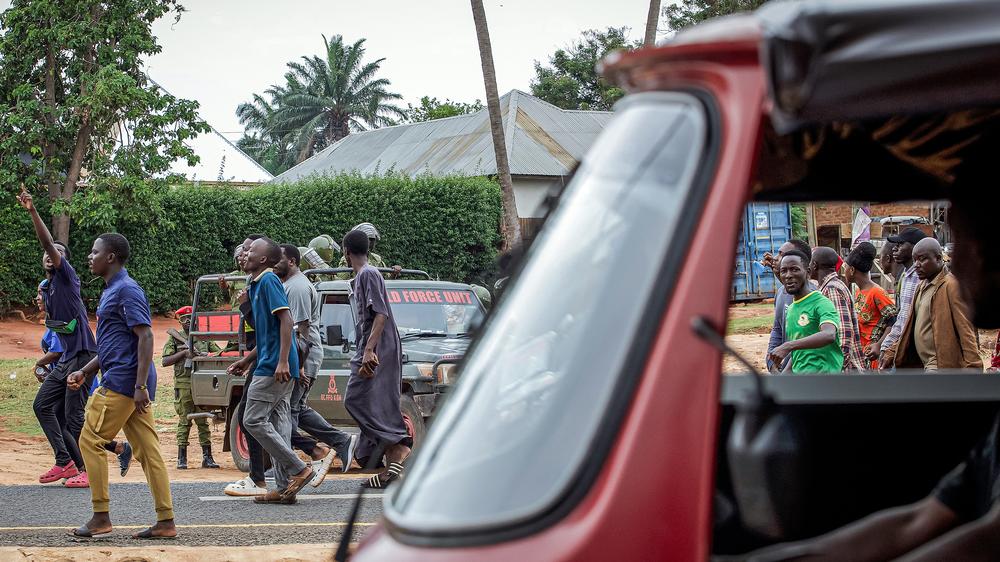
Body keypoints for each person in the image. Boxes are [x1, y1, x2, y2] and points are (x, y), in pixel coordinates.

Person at [67, 233, 175, 539]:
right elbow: (114, 345)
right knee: (149, 452)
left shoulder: (126, 290)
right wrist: (85, 371)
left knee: (89, 440)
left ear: (111, 256)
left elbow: (146, 336)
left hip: (126, 382)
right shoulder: (112, 289)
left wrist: (139, 385)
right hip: (129, 379)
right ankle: (166, 521)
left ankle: (101, 516)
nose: (90, 256)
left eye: (94, 252)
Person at [17, 187, 98, 489]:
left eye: (58, 254)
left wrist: (33, 211)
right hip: (67, 359)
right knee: (43, 407)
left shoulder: (67, 278)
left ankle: (87, 469)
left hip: (84, 358)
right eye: (49, 255)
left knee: (73, 418)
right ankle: (64, 461)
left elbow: (49, 244)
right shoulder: (48, 290)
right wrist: (44, 362)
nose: (52, 256)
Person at [226, 237, 314, 504]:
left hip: (275, 368)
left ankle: (298, 468)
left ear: (263, 259)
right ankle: (285, 488)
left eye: (251, 250)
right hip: (269, 361)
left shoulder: (268, 281)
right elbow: (268, 334)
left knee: (251, 420)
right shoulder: (255, 284)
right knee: (277, 423)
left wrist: (283, 361)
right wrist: (247, 359)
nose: (245, 252)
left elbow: (287, 321)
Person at [274, 244, 358, 483]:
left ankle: (302, 459)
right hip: (302, 355)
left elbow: (301, 329)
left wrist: (298, 366)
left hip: (302, 356)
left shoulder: (298, 287)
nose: (273, 263)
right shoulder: (291, 284)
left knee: (286, 412)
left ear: (291, 261)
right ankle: (340, 442)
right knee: (296, 410)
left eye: (278, 259)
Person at [342, 230, 412, 488]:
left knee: (354, 398)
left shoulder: (369, 274)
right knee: (375, 399)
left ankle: (398, 444)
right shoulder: (362, 277)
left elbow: (380, 314)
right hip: (373, 344)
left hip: (379, 345)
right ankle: (390, 461)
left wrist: (369, 351)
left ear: (345, 251)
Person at [887, 238, 982, 371]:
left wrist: (974, 366)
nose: (916, 265)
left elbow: (965, 329)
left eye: (922, 259)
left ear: (938, 259)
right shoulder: (921, 286)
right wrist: (892, 350)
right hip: (920, 364)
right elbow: (910, 327)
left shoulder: (951, 286)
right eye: (915, 260)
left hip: (939, 364)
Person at [162, 305, 221, 469]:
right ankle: (182, 458)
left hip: (202, 384)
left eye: (190, 318)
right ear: (179, 321)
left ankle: (207, 457)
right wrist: (183, 353)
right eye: (183, 319)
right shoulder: (175, 338)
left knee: (203, 420)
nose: (187, 321)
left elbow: (219, 354)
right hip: (184, 384)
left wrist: (204, 355)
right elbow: (165, 361)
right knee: (184, 421)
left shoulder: (203, 338)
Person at [768, 251, 843, 374]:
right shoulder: (791, 309)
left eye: (794, 269)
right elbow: (798, 353)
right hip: (802, 382)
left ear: (808, 272)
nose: (788, 275)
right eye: (784, 271)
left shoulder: (822, 303)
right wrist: (784, 375)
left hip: (826, 381)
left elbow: (829, 334)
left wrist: (787, 346)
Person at [876, 227, 928, 368]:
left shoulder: (921, 278)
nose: (895, 249)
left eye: (900, 244)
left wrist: (893, 348)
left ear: (915, 248)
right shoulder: (907, 276)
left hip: (915, 349)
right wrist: (886, 346)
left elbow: (913, 322)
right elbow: (902, 319)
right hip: (901, 345)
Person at [811, 246, 867, 371]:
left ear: (814, 265)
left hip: (844, 371)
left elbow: (844, 334)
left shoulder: (832, 289)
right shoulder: (831, 286)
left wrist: (837, 368)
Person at [762, 240, 816, 371]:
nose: (775, 258)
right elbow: (777, 330)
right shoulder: (781, 293)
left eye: (782, 254)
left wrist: (786, 373)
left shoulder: (814, 298)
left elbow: (807, 339)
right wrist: (771, 361)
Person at [845, 243, 898, 369]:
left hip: (874, 358)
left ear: (852, 270)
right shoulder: (859, 292)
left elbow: (894, 320)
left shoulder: (876, 293)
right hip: (862, 356)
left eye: (845, 267)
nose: (844, 271)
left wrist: (879, 345)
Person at [336, 223, 401, 279]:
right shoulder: (348, 258)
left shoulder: (376, 258)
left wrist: (394, 273)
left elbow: (386, 278)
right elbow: (341, 279)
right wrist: (349, 266)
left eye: (372, 240)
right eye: (368, 239)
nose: (370, 243)